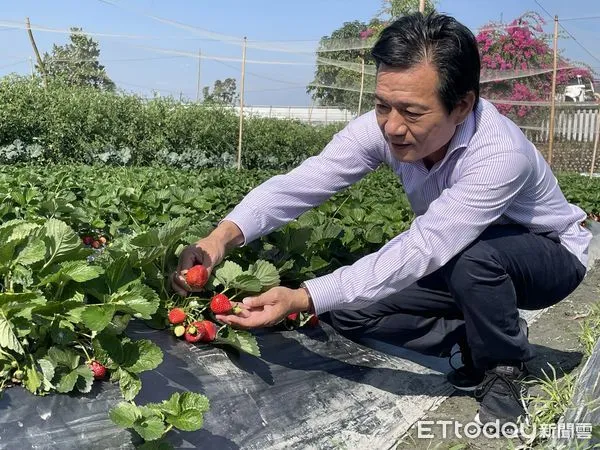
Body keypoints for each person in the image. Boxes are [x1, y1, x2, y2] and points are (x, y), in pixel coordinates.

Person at [172, 12, 591, 426]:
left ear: (462, 105)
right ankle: (482, 333)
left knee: (474, 260)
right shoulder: (383, 128)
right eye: (382, 105)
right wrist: (220, 238)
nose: (392, 126)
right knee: (350, 309)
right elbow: (301, 183)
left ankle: (503, 367)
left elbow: (425, 246)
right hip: (464, 254)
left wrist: (299, 297)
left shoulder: (499, 154)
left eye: (411, 111)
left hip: (548, 258)